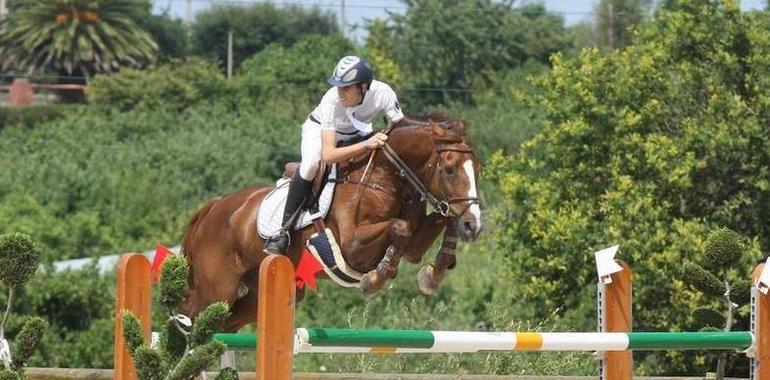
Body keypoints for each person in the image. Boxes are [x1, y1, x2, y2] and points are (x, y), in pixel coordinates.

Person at [263, 55, 405, 255]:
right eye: (338, 87)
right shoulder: (331, 99)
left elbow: (400, 129)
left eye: (346, 88)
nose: (340, 93)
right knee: (312, 163)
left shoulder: (384, 93)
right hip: (320, 131)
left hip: (359, 134)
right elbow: (329, 154)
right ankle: (282, 231)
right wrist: (367, 144)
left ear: (363, 87)